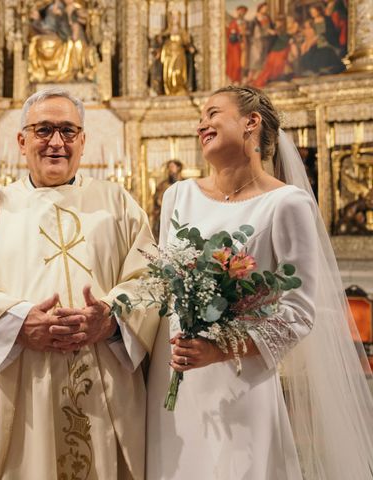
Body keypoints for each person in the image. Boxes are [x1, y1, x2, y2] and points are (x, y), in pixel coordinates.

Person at [0, 88, 157, 479]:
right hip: (18, 382)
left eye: (68, 131)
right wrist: (17, 322)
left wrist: (113, 318)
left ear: (83, 140)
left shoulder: (118, 204)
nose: (56, 142)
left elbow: (149, 278)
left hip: (102, 384)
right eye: (43, 129)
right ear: (22, 140)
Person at [146, 85, 373, 479]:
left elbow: (299, 313)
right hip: (173, 379)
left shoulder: (287, 204)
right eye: (201, 117)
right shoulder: (177, 195)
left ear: (251, 122)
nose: (202, 124)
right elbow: (166, 284)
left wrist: (218, 350)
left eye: (213, 113)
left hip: (238, 382)